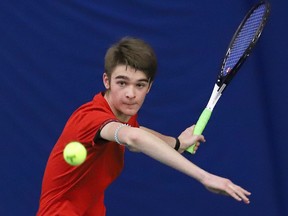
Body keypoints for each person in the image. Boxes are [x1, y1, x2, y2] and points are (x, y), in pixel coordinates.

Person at [37, 37, 251, 215]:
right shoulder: (90, 117)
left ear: (149, 87)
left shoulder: (120, 113)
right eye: (122, 82)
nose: (131, 94)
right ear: (106, 81)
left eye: (139, 85)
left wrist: (177, 143)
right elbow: (133, 138)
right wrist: (205, 176)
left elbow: (136, 133)